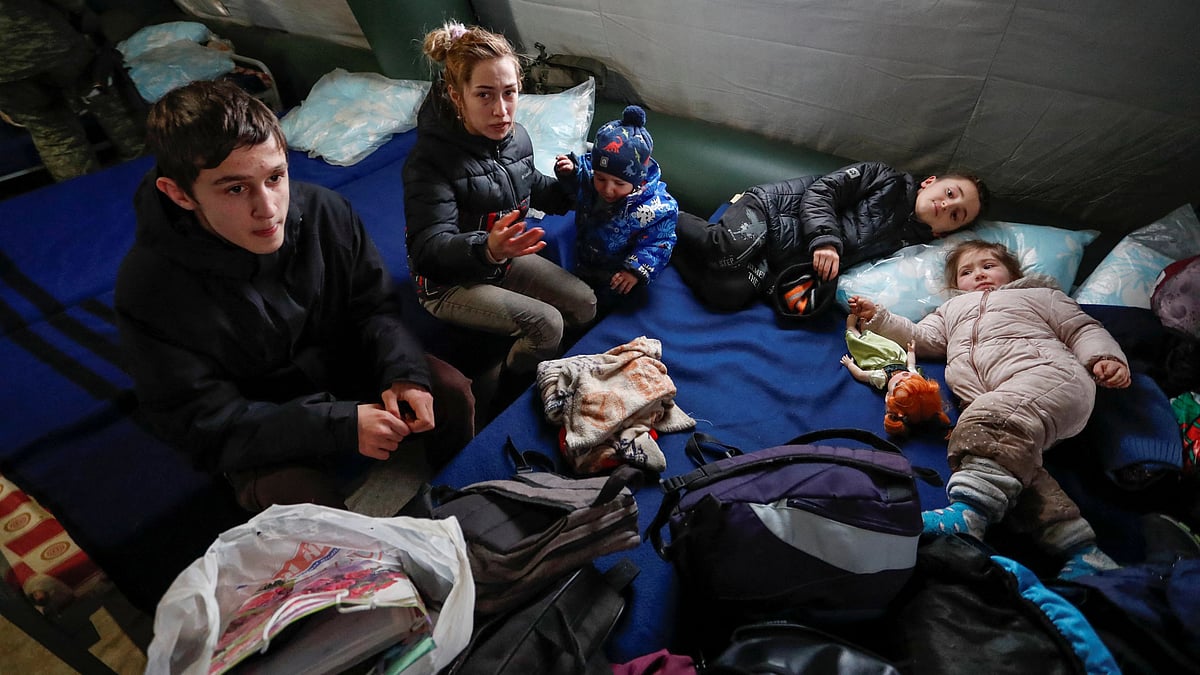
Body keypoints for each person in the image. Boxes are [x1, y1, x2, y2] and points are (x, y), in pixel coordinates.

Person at [114, 80, 475, 513]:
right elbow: (202, 423)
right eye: (235, 188)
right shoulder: (149, 288)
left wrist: (403, 373)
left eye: (275, 177)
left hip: (341, 374)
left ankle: (457, 501)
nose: (267, 208)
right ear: (179, 193)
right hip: (260, 419)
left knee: (451, 392)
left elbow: (373, 308)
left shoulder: (327, 212)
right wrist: (336, 426)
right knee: (301, 503)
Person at [850, 240, 1132, 580]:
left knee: (987, 428)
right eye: (967, 272)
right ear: (956, 285)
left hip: (1049, 378)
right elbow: (919, 338)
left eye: (988, 266)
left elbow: (1082, 328)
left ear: (1012, 273)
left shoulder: (1040, 296)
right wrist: (879, 318)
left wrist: (1103, 358)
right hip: (1000, 408)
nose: (979, 275)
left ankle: (968, 514)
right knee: (1008, 468)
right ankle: (1079, 549)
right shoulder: (950, 311)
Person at [403, 21, 597, 408]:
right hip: (446, 282)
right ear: (457, 97)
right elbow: (427, 247)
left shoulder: (515, 137)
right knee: (547, 325)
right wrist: (487, 249)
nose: (501, 110)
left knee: (585, 303)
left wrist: (573, 185)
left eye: (509, 93)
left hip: (499, 259)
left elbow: (532, 188)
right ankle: (504, 396)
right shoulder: (430, 163)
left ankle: (551, 367)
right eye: (485, 95)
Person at [672, 162, 988, 313]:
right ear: (930, 182)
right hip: (771, 211)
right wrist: (825, 239)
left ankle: (663, 243)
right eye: (950, 193)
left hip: (773, 259)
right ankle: (661, 210)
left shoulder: (906, 248)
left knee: (727, 293)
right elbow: (821, 191)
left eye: (956, 214)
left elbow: (848, 271)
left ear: (943, 232)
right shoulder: (884, 178)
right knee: (727, 249)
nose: (946, 205)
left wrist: (803, 291)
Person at [0, 0, 144, 181]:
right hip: (48, 40)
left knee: (52, 133)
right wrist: (81, 12)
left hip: (6, 75)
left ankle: (87, 195)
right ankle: (149, 173)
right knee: (111, 105)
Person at [553, 104, 678, 308]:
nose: (608, 189)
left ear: (639, 180)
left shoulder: (657, 208)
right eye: (601, 179)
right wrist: (570, 171)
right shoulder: (592, 176)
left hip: (619, 272)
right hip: (585, 255)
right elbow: (583, 176)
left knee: (609, 301)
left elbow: (660, 242)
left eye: (619, 184)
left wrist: (635, 270)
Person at [839, 314, 951, 437]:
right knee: (879, 339)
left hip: (875, 356)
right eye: (911, 377)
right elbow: (911, 365)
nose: (904, 375)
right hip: (894, 353)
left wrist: (850, 364)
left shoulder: (881, 377)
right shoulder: (912, 376)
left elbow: (860, 374)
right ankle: (865, 330)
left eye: (898, 383)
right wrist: (911, 352)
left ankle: (851, 327)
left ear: (888, 396)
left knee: (859, 342)